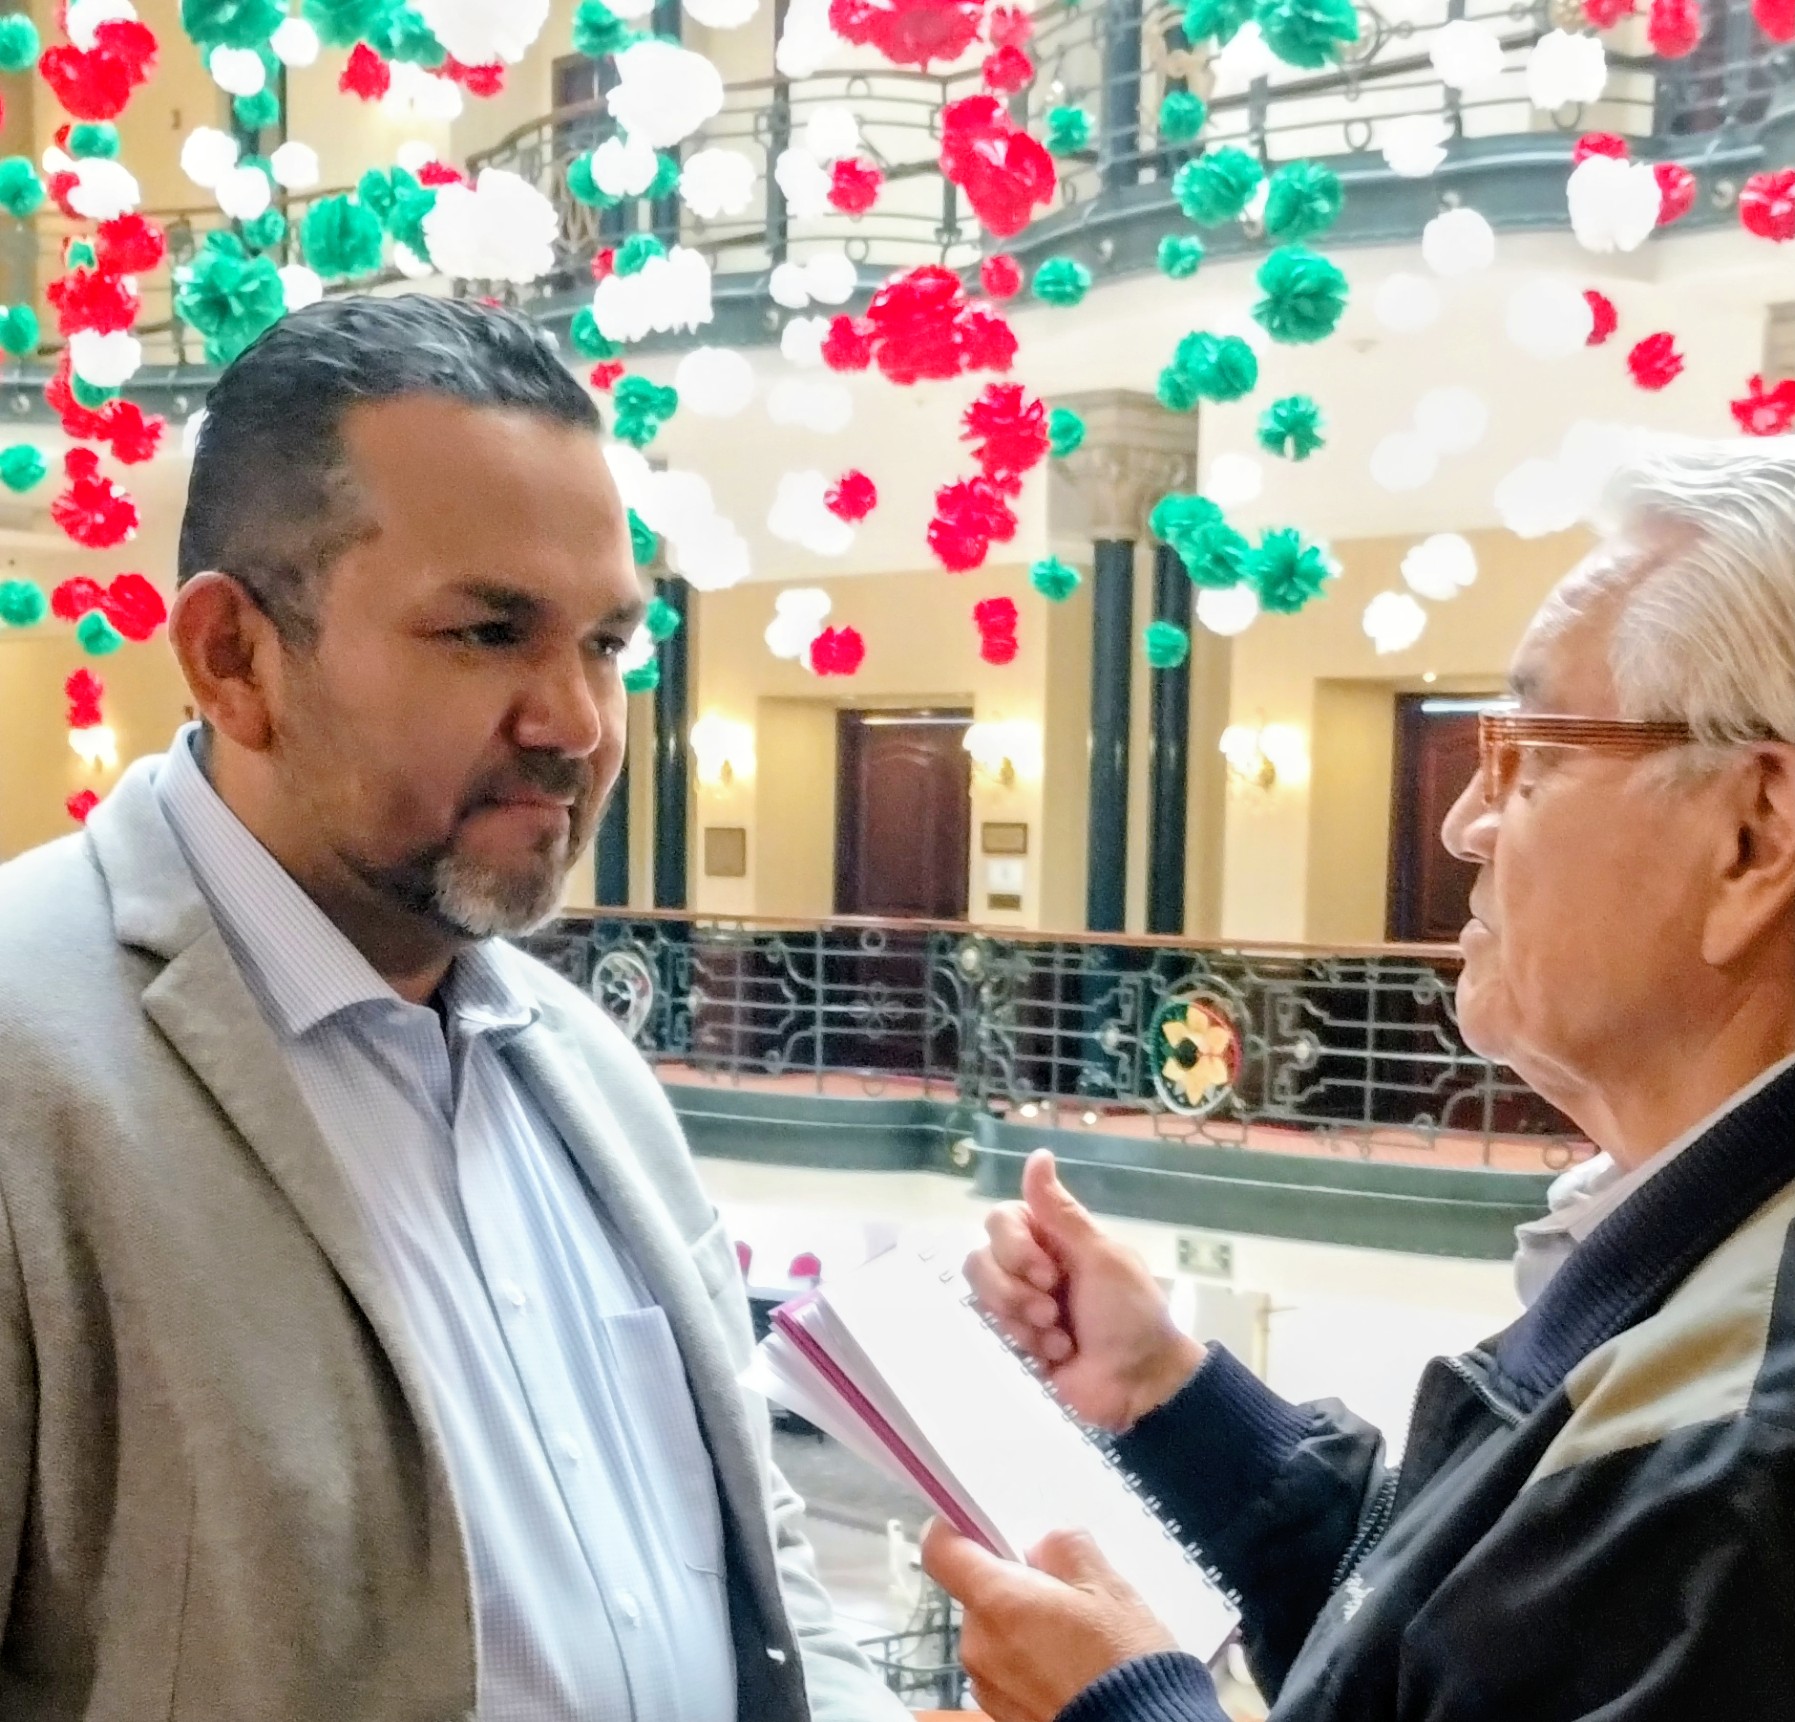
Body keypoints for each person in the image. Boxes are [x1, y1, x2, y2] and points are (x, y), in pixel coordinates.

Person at [0, 295, 908, 1722]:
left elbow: (764, 1567)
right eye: (489, 632)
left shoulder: (590, 1067)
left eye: (605, 644)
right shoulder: (26, 1067)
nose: (576, 723)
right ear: (234, 657)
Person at [922, 438, 1795, 1721]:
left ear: (1752, 837)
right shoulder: (1703, 1277)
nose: (1463, 824)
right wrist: (1170, 1394)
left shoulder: (1733, 1452)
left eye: (1532, 757)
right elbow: (1468, 1646)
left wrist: (1125, 1707)